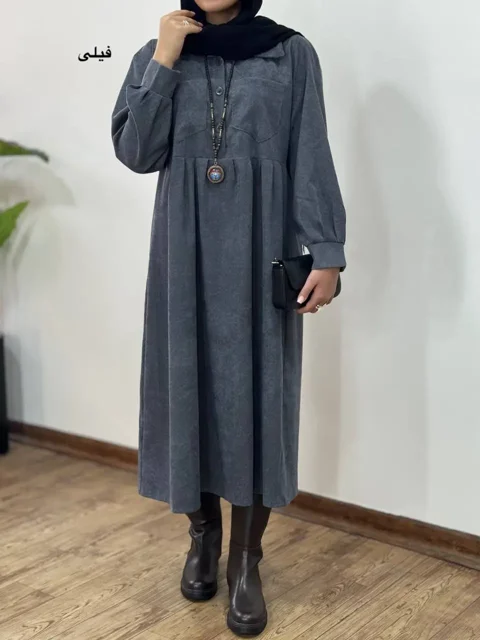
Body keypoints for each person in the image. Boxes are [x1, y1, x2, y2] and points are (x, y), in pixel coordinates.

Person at [111, 0, 346, 636]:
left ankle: (246, 560)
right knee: (188, 392)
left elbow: (310, 149)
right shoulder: (156, 52)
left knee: (258, 401)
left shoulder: (290, 52)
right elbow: (136, 151)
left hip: (260, 247)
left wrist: (326, 249)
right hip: (183, 253)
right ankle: (202, 535)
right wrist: (165, 60)